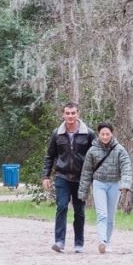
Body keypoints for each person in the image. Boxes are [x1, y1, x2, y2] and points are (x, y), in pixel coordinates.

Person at [42, 103, 95, 251]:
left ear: (78, 114)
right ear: (63, 115)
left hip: (81, 177)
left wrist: (94, 177)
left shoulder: (88, 133)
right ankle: (59, 242)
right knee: (62, 207)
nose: (70, 116)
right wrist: (45, 176)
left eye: (73, 113)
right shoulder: (56, 134)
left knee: (79, 211)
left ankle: (79, 243)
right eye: (67, 113)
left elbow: (96, 156)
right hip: (62, 175)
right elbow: (50, 156)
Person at [81, 124, 130, 253]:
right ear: (98, 134)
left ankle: (108, 242)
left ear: (112, 134)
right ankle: (101, 240)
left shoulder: (120, 149)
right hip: (99, 184)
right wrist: (83, 191)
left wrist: (125, 184)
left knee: (110, 216)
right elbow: (86, 172)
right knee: (101, 214)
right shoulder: (92, 150)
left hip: (115, 184)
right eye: (102, 134)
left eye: (107, 134)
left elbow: (126, 167)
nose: (105, 136)